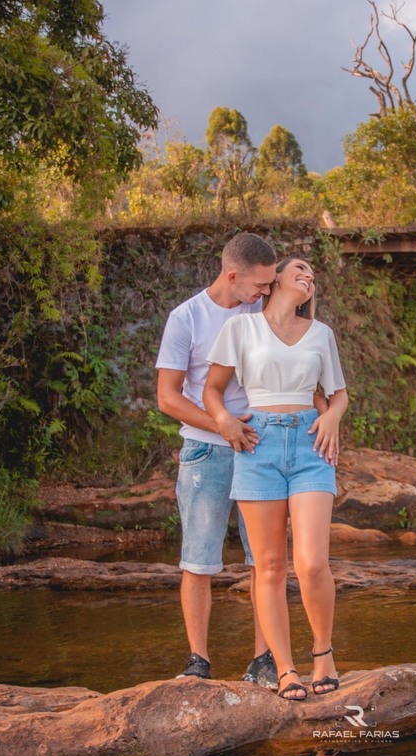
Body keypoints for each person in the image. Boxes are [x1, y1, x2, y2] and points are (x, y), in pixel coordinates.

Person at [203, 257, 348, 701]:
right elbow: (212, 389)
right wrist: (225, 421)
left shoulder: (322, 334)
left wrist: (332, 420)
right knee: (267, 566)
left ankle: (323, 654)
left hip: (310, 443)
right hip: (257, 445)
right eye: (300, 268)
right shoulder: (240, 330)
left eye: (313, 274)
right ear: (274, 280)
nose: (309, 275)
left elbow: (338, 395)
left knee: (311, 564)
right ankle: (285, 669)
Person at [155, 232, 280, 687]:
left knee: (264, 560)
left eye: (269, 286)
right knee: (198, 559)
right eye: (260, 285)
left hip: (261, 449)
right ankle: (198, 661)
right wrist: (222, 424)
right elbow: (167, 398)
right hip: (205, 450)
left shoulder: (264, 311)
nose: (265, 293)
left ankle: (264, 660)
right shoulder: (186, 318)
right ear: (232, 275)